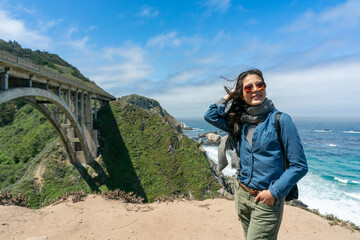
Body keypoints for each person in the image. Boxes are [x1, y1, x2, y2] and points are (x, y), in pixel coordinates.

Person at [204, 69, 308, 240]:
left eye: (259, 84)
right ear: (241, 92)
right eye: (248, 87)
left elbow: (299, 166)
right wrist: (230, 94)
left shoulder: (281, 120)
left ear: (265, 87)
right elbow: (211, 115)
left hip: (265, 200)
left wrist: (273, 192)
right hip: (242, 194)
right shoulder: (240, 121)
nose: (255, 89)